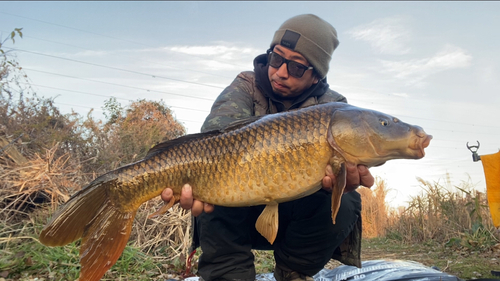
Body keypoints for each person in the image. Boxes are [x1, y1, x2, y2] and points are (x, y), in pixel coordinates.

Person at [161, 14, 374, 281]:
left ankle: (294, 272)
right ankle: (229, 274)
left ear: (316, 76)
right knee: (216, 181)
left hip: (293, 222)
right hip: (237, 210)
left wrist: (343, 179)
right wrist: (188, 179)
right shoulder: (246, 85)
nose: (281, 72)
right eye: (276, 58)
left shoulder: (334, 108)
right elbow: (214, 141)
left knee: (347, 197)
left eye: (297, 68)